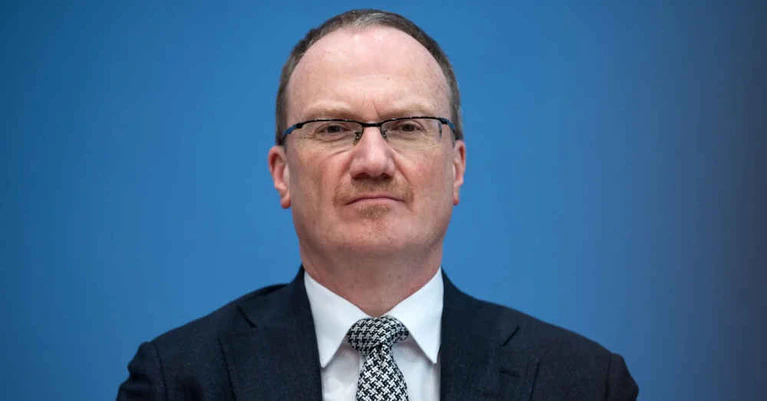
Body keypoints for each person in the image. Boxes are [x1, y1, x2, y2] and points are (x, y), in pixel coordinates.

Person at [117, 9, 638, 401]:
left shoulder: (585, 384)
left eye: (407, 126)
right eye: (332, 128)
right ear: (282, 174)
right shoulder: (177, 381)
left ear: (456, 167)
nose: (373, 161)